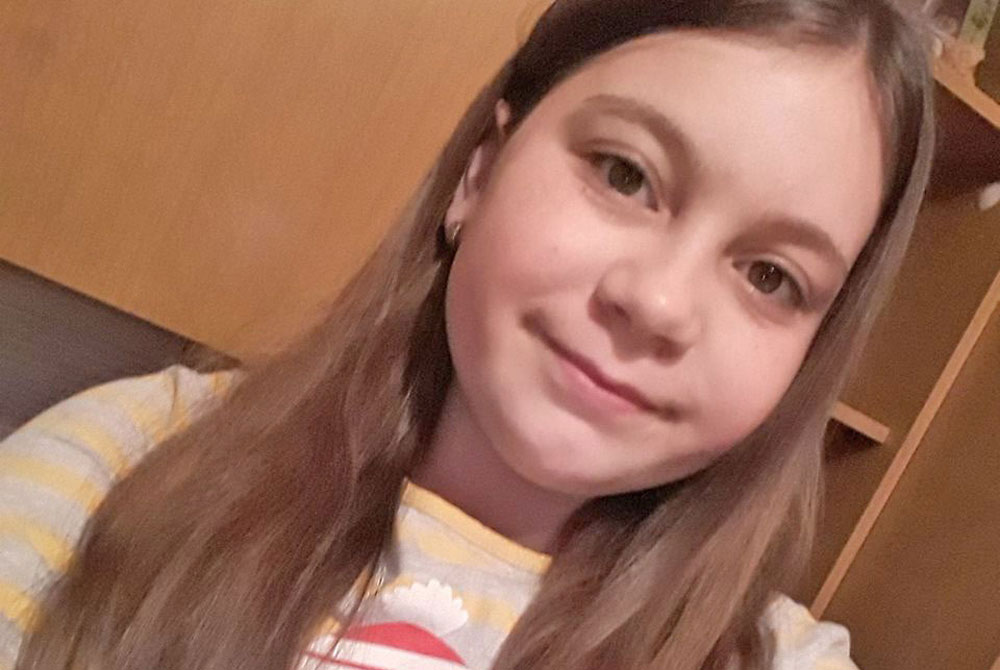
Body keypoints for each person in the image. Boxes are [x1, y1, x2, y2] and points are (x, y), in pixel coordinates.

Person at [0, 1, 935, 669]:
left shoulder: (773, 656)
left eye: (772, 277)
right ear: (480, 172)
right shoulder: (130, 460)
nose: (658, 303)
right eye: (624, 174)